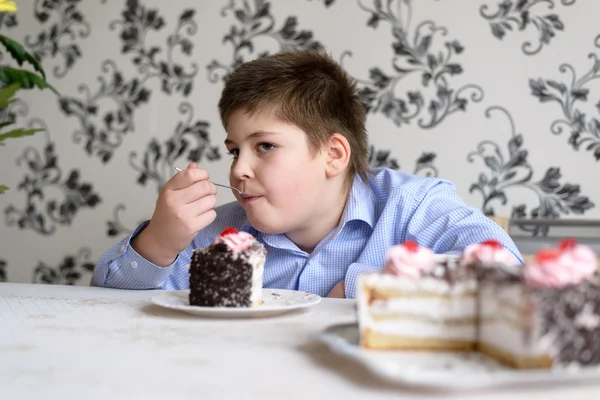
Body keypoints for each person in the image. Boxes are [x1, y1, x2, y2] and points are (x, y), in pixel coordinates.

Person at [91, 49, 522, 298]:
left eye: (265, 146)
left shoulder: (414, 207)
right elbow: (109, 310)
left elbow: (506, 272)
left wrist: (353, 290)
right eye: (233, 150)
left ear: (333, 155)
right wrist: (161, 242)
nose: (239, 169)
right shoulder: (217, 237)